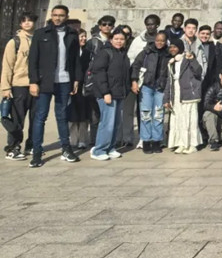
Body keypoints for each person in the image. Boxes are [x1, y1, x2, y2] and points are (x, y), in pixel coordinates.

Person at [27, 5, 80, 167]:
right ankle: (36, 152)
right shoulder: (41, 34)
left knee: (62, 116)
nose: (58, 18)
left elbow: (75, 60)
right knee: (40, 116)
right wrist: (33, 81)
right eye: (55, 15)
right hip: (44, 82)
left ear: (66, 16)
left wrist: (76, 79)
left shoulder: (72, 34)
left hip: (64, 81)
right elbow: (33, 60)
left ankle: (66, 148)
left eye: (61, 15)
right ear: (51, 15)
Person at [89, 27, 130, 161]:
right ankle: (99, 149)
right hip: (107, 93)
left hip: (119, 93)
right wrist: (105, 92)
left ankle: (110, 147)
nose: (119, 41)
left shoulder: (123, 53)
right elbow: (99, 73)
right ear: (111, 39)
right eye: (116, 39)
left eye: (122, 39)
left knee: (116, 122)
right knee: (107, 122)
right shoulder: (105, 52)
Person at [2, 12, 36, 161]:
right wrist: (5, 88)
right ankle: (13, 147)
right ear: (20, 24)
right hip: (19, 85)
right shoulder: (14, 42)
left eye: (30, 21)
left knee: (36, 119)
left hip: (36, 85)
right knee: (17, 120)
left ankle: (32, 145)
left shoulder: (39, 39)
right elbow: (7, 66)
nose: (27, 23)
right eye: (24, 21)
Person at [130, 32, 170, 154]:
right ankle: (146, 140)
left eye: (162, 41)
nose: (160, 43)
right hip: (146, 87)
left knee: (158, 115)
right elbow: (135, 66)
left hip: (160, 88)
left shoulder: (168, 54)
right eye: (158, 40)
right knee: (145, 114)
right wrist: (134, 81)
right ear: (154, 40)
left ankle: (157, 140)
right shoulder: (146, 52)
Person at [164, 37, 203, 154]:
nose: (172, 49)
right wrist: (166, 98)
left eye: (175, 47)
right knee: (178, 119)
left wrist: (192, 59)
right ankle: (181, 143)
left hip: (188, 94)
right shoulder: (171, 62)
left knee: (190, 120)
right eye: (170, 47)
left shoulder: (188, 58)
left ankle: (192, 144)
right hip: (176, 94)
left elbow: (198, 72)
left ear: (180, 48)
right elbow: (168, 81)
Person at [68, 29, 92, 150]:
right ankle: (73, 139)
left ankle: (82, 139)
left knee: (84, 114)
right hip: (72, 86)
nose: (83, 39)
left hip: (84, 87)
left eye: (85, 36)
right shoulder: (70, 52)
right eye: (81, 36)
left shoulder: (88, 52)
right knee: (72, 115)